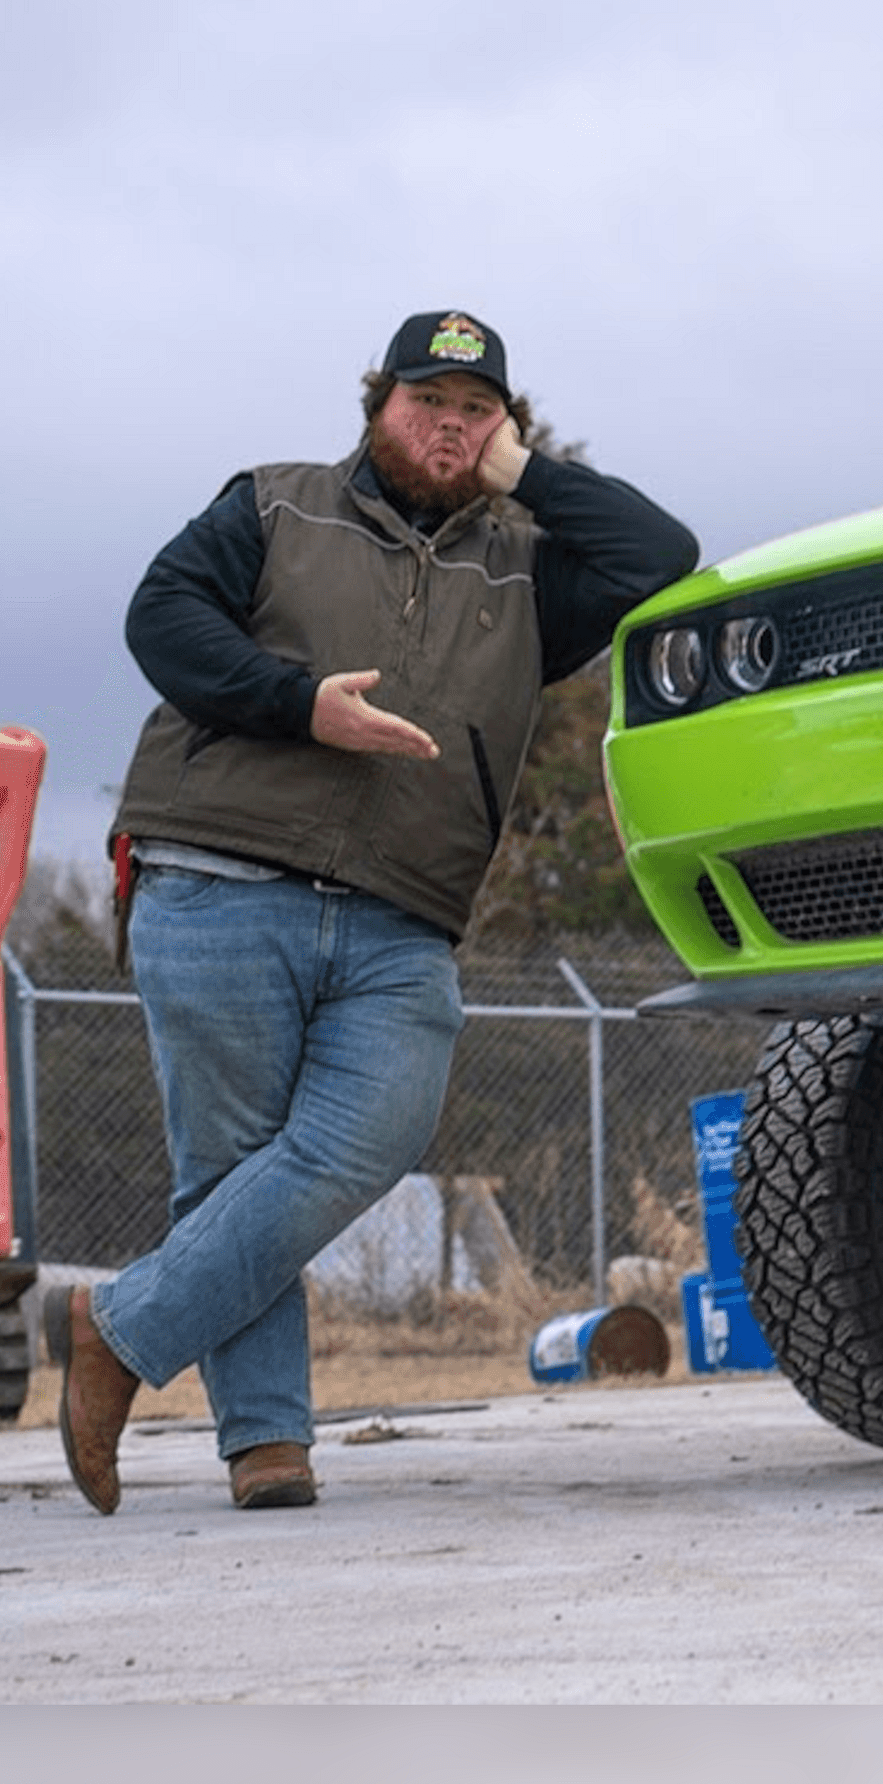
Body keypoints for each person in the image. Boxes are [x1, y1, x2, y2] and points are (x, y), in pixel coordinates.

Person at [59, 309, 698, 1515]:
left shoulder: (527, 565)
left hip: (404, 913)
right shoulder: (273, 503)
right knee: (234, 1168)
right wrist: (299, 704)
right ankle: (266, 1445)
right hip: (222, 871)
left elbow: (661, 555)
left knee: (367, 1141)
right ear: (377, 404)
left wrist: (527, 475)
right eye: (428, 403)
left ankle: (118, 1326)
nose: (449, 427)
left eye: (476, 411)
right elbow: (162, 617)